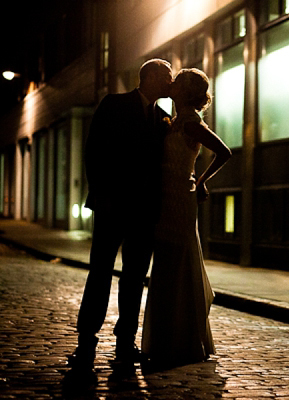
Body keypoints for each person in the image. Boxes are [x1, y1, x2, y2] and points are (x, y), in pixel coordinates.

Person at [68, 59, 173, 374]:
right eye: (168, 77)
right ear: (151, 76)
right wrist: (100, 193)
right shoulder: (114, 104)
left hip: (144, 212)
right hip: (112, 206)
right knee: (99, 272)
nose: (171, 83)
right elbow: (94, 150)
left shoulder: (164, 118)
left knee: (134, 279)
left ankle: (125, 342)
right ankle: (86, 341)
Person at [141, 68, 231, 367]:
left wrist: (201, 180)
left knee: (175, 264)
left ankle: (179, 341)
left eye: (177, 81)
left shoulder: (191, 121)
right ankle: (167, 338)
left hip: (180, 197)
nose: (172, 84)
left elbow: (223, 151)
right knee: (165, 266)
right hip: (165, 197)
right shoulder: (175, 118)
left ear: (186, 90)